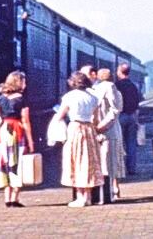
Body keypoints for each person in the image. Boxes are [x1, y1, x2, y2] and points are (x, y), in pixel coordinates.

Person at [57, 71, 104, 207]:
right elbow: (95, 118)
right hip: (89, 129)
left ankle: (79, 197)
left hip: (75, 128)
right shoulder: (93, 98)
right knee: (88, 162)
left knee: (75, 160)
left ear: (72, 82)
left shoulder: (69, 97)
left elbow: (60, 115)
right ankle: (88, 196)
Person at [0, 71, 34, 207]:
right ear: (18, 82)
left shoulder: (0, 99)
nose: (25, 84)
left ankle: (7, 198)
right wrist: (30, 141)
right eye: (23, 81)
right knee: (16, 163)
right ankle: (15, 198)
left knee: (3, 163)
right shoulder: (21, 99)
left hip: (2, 132)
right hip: (16, 131)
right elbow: (25, 121)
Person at [92, 68, 125, 199]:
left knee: (109, 161)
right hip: (100, 130)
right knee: (106, 161)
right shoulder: (95, 89)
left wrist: (102, 125)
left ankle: (110, 192)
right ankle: (110, 190)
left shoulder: (109, 87)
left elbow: (114, 109)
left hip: (108, 130)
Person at [114, 63, 141, 175]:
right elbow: (137, 103)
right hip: (132, 116)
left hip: (120, 116)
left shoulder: (116, 85)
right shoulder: (134, 86)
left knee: (118, 143)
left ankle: (119, 169)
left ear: (119, 72)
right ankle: (131, 168)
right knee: (131, 144)